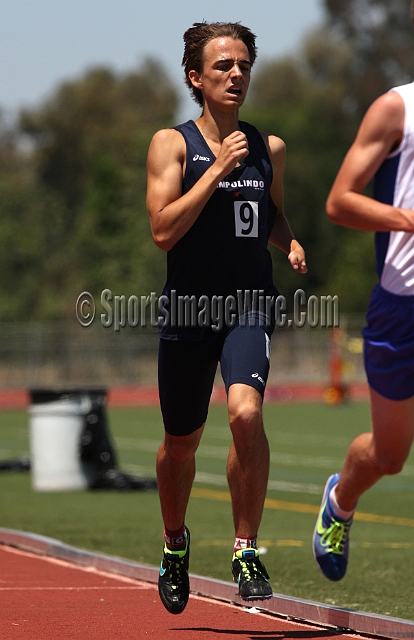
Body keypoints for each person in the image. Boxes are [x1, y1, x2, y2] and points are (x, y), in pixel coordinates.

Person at [146, 21, 307, 614]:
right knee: (180, 444)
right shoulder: (171, 144)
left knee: (245, 412)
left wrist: (287, 241)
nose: (236, 74)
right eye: (223, 66)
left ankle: (245, 548)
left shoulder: (270, 149)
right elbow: (163, 231)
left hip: (248, 304)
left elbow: (273, 215)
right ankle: (174, 542)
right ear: (196, 77)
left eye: (243, 64)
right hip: (189, 310)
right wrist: (215, 170)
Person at [313, 44, 414, 580]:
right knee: (390, 456)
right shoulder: (396, 110)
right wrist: (407, 218)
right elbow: (339, 201)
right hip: (402, 308)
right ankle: (340, 501)